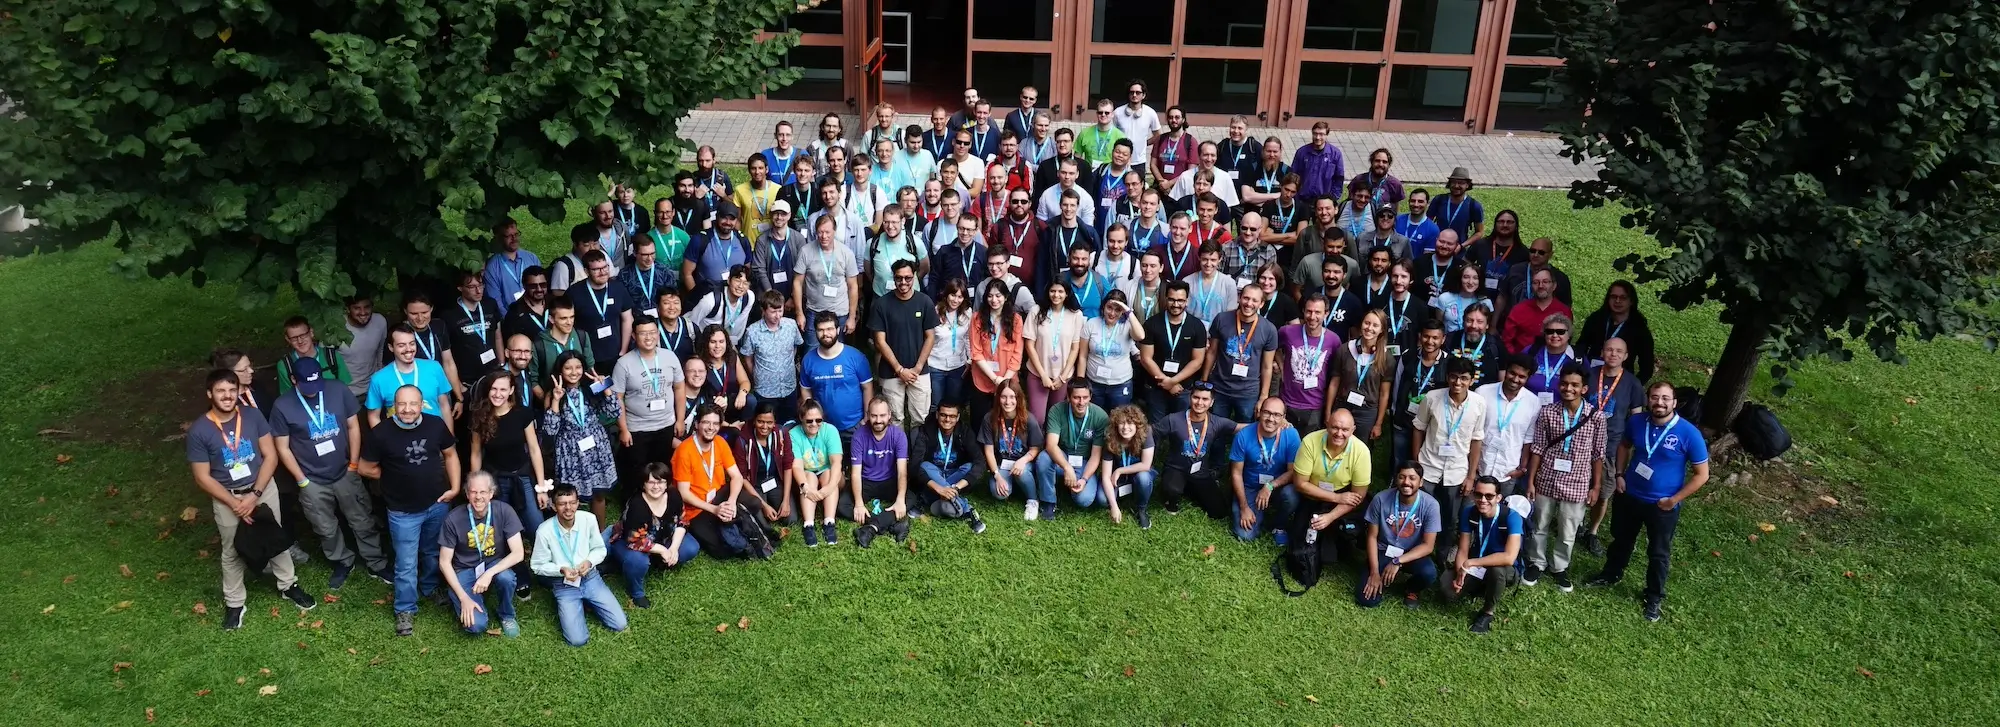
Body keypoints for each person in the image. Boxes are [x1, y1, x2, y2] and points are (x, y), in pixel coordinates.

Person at [189, 369, 314, 630]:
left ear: (239, 392)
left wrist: (255, 494)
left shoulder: (252, 415)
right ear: (210, 394)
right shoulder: (200, 430)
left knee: (275, 538)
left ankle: (288, 585)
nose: (227, 396)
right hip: (227, 496)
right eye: (221, 391)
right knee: (232, 549)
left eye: (232, 390)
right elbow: (202, 477)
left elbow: (270, 455)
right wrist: (236, 503)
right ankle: (235, 602)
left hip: (261, 488)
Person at [1587, 382, 1711, 622]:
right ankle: (1611, 574)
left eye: (1665, 398)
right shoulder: (1636, 422)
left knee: (1658, 553)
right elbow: (1624, 445)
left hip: (1662, 505)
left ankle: (1653, 597)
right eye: (1655, 397)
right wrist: (1620, 475)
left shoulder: (1688, 433)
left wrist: (1674, 500)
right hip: (1630, 494)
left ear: (1674, 403)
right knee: (1621, 539)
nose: (1660, 402)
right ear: (1648, 400)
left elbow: (1702, 474)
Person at [269, 357, 390, 589]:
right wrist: (301, 480)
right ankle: (342, 560)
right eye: (306, 386)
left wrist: (354, 464)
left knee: (362, 519)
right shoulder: (282, 406)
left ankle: (376, 562)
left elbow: (354, 426)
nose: (313, 391)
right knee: (325, 527)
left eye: (317, 384)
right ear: (294, 380)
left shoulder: (337, 390)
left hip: (345, 470)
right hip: (312, 479)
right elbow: (282, 447)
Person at [360, 385, 461, 637]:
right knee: (405, 563)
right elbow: (365, 467)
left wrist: (456, 487)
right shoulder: (381, 433)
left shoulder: (436, 424)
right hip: (402, 512)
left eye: (413, 404)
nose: (407, 410)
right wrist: (392, 477)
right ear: (393, 406)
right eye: (401, 404)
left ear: (422, 404)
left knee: (432, 551)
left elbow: (450, 454)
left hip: (436, 503)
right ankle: (405, 608)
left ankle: (429, 587)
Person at [1522, 363, 1606, 590]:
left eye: (1575, 385)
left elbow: (1598, 454)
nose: (1568, 388)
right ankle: (1536, 563)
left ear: (1584, 389)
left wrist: (1596, 486)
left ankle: (1559, 566)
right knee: (1540, 524)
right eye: (1565, 384)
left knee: (1568, 529)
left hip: (1578, 481)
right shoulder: (1548, 412)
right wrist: (1531, 480)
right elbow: (1538, 448)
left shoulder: (1596, 417)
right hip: (1547, 477)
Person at [466, 369, 545, 595]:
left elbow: (534, 450)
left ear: (511, 390)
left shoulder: (522, 414)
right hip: (495, 482)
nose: (498, 393)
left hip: (521, 477)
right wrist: (476, 488)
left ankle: (547, 571)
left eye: (503, 389)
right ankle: (520, 576)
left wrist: (540, 487)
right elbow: (476, 454)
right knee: (505, 532)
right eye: (494, 388)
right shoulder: (480, 416)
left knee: (536, 526)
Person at [529, 483, 629, 646]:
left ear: (577, 503)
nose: (568, 508)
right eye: (562, 504)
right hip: (564, 584)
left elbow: (599, 549)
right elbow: (537, 565)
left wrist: (589, 562)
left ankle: (586, 601)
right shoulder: (544, 531)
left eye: (572, 502)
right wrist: (560, 569)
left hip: (590, 578)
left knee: (620, 624)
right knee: (577, 640)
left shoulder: (588, 519)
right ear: (554, 506)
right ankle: (576, 604)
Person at [1410, 357, 1488, 554]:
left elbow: (1476, 440)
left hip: (1457, 470)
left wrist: (1471, 476)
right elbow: (1419, 428)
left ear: (1472, 380)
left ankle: (1442, 553)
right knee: (1420, 510)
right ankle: (1417, 549)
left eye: (1463, 378)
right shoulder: (1432, 398)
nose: (1458, 382)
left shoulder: (1479, 404)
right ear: (1447, 377)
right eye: (1453, 377)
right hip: (1428, 465)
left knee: (1450, 516)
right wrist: (1416, 464)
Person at [675, 404, 771, 560]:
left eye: (715, 423)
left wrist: (732, 502)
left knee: (754, 503)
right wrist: (714, 510)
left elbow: (737, 476)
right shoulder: (684, 451)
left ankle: (732, 516)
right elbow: (684, 493)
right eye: (706, 422)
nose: (710, 428)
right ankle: (728, 520)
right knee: (721, 552)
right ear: (697, 424)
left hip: (719, 495)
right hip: (696, 508)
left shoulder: (719, 442)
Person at [1580, 338, 1646, 556]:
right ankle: (1575, 524)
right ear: (1602, 351)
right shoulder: (1589, 375)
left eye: (1619, 351)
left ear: (1626, 356)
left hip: (1611, 445)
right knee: (1578, 484)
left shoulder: (1632, 383)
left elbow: (1636, 416)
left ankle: (1592, 531)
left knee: (1603, 493)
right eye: (1609, 349)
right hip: (1581, 440)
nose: (1613, 354)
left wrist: (1634, 444)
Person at [437, 472, 524, 637]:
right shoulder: (453, 519)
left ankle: (507, 614)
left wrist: (490, 573)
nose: (478, 497)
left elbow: (518, 553)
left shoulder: (504, 511)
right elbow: (444, 562)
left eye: (483, 492)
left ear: (491, 493)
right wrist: (463, 597)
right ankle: (458, 594)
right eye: (473, 492)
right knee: (476, 626)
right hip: (464, 569)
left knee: (506, 577)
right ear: (467, 494)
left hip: (492, 563)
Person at [541, 351, 619, 523]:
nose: (573, 372)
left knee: (599, 494)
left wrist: (605, 388)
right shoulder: (553, 394)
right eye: (568, 368)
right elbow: (550, 430)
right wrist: (555, 400)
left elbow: (614, 412)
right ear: (560, 371)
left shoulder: (592, 388)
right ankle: (573, 535)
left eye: (578, 367)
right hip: (571, 453)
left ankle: (598, 534)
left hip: (596, 447)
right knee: (570, 497)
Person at [605, 463, 698, 608]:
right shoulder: (637, 505)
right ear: (644, 484)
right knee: (638, 561)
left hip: (661, 538)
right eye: (651, 482)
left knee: (690, 547)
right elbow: (634, 540)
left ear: (667, 483)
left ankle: (658, 562)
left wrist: (673, 548)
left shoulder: (673, 495)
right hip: (628, 543)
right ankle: (636, 592)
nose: (656, 487)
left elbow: (682, 521)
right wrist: (662, 550)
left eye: (660, 482)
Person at [1444, 477, 1523, 633]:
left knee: (1497, 571)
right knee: (1447, 592)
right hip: (1477, 565)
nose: (1483, 500)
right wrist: (1461, 573)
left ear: (1499, 498)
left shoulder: (1512, 517)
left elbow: (1509, 557)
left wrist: (1471, 563)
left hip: (1504, 568)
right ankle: (1481, 587)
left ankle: (1487, 612)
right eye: (1479, 495)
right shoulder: (1469, 512)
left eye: (1489, 496)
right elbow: (1463, 549)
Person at [610, 315, 682, 487]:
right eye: (643, 333)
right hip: (637, 428)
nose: (648, 337)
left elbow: (679, 388)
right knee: (637, 470)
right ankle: (634, 504)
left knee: (662, 466)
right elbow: (617, 398)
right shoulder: (623, 364)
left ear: (658, 334)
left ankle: (660, 501)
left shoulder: (670, 357)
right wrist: (624, 429)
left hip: (665, 424)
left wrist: (679, 420)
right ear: (634, 336)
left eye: (652, 333)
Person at [1357, 464, 1440, 609]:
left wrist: (1397, 561)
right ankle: (1381, 576)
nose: (1406, 482)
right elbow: (1371, 537)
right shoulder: (1381, 499)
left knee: (1429, 573)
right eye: (1402, 477)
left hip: (1412, 553)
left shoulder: (1431, 505)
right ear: (1396, 479)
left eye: (1412, 478)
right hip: (1384, 550)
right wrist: (1374, 572)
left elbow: (1428, 546)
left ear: (1421, 482)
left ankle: (1411, 589)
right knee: (1367, 600)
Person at [869, 259, 938, 430]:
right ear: (893, 278)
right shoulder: (881, 304)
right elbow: (879, 341)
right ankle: (898, 456)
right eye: (899, 278)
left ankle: (918, 456)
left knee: (921, 419)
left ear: (914, 276)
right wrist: (899, 369)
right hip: (890, 371)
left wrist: (917, 368)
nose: (903, 282)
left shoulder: (925, 302)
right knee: (893, 419)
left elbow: (930, 337)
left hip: (919, 372)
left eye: (908, 278)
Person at [1151, 382, 1237, 518]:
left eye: (1205, 399)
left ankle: (1189, 489)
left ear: (1211, 402)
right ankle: (1172, 497)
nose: (1200, 402)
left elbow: (1241, 427)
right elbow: (1151, 432)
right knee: (1172, 489)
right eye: (1196, 397)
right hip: (1176, 469)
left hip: (1200, 472)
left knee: (1219, 512)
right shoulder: (1173, 419)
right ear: (1190, 398)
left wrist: (1275, 424)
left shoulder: (1217, 422)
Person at [1229, 397, 1302, 543]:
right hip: (1250, 486)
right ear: (1259, 413)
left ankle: (1278, 524)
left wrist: (1269, 486)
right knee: (1245, 535)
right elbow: (1236, 474)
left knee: (1292, 494)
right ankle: (1255, 511)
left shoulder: (1292, 435)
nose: (1271, 419)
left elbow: (1293, 472)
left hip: (1277, 486)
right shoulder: (1243, 436)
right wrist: (1244, 507)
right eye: (1267, 413)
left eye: (1276, 415)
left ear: (1283, 418)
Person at [799, 312, 876, 449]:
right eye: (821, 330)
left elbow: (867, 388)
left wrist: (866, 418)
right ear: (815, 332)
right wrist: (811, 419)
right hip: (822, 427)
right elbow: (806, 390)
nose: (825, 334)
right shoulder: (808, 360)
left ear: (838, 330)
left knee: (858, 467)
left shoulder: (856, 357)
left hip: (854, 426)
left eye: (829, 329)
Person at [1036, 380, 1109, 520]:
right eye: (1076, 397)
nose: (1081, 402)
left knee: (1084, 500)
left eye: (1085, 397)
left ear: (1090, 397)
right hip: (1062, 457)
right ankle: (1048, 502)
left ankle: (1072, 484)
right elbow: (1051, 445)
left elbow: (1095, 456)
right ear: (1068, 397)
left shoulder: (1100, 416)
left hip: (1084, 462)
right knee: (1044, 458)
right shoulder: (1056, 410)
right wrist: (1067, 467)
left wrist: (1084, 479)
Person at [1204, 285, 1279, 422]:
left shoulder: (1269, 329)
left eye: (1254, 300)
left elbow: (1267, 366)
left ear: (1261, 304)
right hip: (1220, 387)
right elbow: (1212, 352)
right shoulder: (1222, 319)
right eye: (1246, 298)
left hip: (1248, 392)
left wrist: (1263, 396)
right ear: (1239, 298)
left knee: (1245, 432)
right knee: (1216, 430)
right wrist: (1204, 382)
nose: (1249, 303)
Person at [845, 399, 913, 547]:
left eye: (882, 415)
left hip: (890, 481)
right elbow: (855, 473)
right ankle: (893, 525)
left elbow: (902, 472)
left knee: (910, 498)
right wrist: (859, 504)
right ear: (868, 415)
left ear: (889, 415)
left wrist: (900, 499)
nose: (878, 420)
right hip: (866, 481)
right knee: (843, 505)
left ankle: (870, 528)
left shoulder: (899, 435)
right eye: (874, 416)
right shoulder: (859, 436)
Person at [912, 401, 987, 533]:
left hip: (955, 478)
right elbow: (914, 465)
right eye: (943, 415)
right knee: (924, 465)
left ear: (958, 417)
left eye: (952, 416)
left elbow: (980, 462)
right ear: (937, 415)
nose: (947, 419)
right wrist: (939, 488)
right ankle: (967, 509)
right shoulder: (926, 431)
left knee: (970, 467)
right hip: (934, 475)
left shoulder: (964, 431)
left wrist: (956, 487)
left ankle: (928, 497)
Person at [980, 380, 1047, 520]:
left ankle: (1032, 500)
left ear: (1018, 398)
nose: (1007, 401)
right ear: (998, 398)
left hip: (1024, 463)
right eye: (1004, 397)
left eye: (1012, 397)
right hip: (1002, 465)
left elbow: (1035, 449)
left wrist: (1023, 460)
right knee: (999, 494)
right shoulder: (989, 418)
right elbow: (989, 451)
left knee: (1021, 473)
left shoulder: (1029, 419)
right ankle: (1013, 485)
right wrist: (997, 475)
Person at [1477, 355, 1543, 497]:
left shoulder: (1533, 402)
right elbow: (1472, 431)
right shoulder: (1482, 393)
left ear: (1528, 378)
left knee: (1501, 513)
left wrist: (1522, 468)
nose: (1515, 379)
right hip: (1480, 467)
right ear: (1506, 371)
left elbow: (1528, 438)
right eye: (1512, 373)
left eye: (1522, 376)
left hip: (1508, 471)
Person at [366, 325, 455, 428]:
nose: (408, 349)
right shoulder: (379, 379)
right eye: (401, 345)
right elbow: (373, 416)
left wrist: (450, 441)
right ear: (391, 347)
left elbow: (444, 406)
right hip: (398, 439)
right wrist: (384, 441)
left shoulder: (434, 368)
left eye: (412, 344)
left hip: (434, 437)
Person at [1277, 293, 1342, 432]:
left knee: (1309, 448)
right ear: (1303, 311)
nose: (1312, 317)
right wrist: (1280, 365)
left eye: (1317, 312)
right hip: (1287, 402)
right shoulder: (1287, 332)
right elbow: (1272, 348)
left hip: (1315, 405)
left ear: (1326, 314)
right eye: (1309, 311)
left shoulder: (1333, 340)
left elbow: (1335, 373)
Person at [1389, 320, 1450, 465]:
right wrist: (1394, 410)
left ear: (1443, 339)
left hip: (1431, 424)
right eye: (1426, 336)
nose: (1430, 341)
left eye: (1435, 338)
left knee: (1424, 462)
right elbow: (1397, 384)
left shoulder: (1449, 363)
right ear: (1420, 336)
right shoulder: (1408, 356)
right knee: (1400, 459)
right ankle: (1397, 481)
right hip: (1404, 419)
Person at [738, 291, 804, 424]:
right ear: (763, 310)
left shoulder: (791, 325)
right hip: (765, 391)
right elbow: (748, 359)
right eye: (773, 311)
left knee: (790, 425)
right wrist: (758, 374)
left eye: (780, 311)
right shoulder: (752, 331)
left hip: (789, 387)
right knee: (767, 426)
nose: (777, 315)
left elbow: (796, 347)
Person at [967, 277, 1026, 426]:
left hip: (1008, 379)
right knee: (979, 421)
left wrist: (1004, 381)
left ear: (1005, 297)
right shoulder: (977, 318)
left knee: (1005, 421)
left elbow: (1017, 354)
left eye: (998, 296)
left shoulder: (1016, 320)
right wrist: (995, 379)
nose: (994, 300)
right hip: (982, 378)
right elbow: (976, 352)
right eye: (990, 296)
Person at [1025, 280, 1085, 419]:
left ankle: (1052, 441)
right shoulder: (1036, 311)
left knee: (1056, 417)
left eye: (1060, 291)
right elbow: (1029, 345)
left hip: (1063, 375)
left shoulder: (1076, 314)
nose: (1056, 295)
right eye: (1052, 291)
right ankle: (1037, 441)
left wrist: (1063, 377)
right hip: (1038, 373)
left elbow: (1075, 348)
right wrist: (1043, 375)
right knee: (1038, 418)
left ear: (1067, 294)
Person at [1331, 309, 1393, 444]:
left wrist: (1378, 424)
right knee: (1336, 445)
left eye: (1375, 325)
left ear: (1382, 330)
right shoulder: (1345, 349)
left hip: (1367, 412)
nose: (1369, 328)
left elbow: (1384, 393)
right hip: (1343, 405)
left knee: (1361, 450)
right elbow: (1334, 383)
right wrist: (1327, 413)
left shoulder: (1386, 358)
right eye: (1367, 323)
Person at [1576, 280, 1658, 381]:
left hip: (1621, 381)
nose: (1617, 301)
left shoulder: (1640, 330)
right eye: (1614, 297)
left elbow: (1647, 367)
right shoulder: (1596, 319)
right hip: (1591, 375)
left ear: (1631, 301)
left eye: (1623, 298)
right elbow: (1581, 346)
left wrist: (1632, 387)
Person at [790, 400, 846, 546]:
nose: (814, 424)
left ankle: (829, 522)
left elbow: (836, 463)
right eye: (809, 420)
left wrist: (829, 487)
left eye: (818, 420)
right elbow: (797, 466)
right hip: (807, 474)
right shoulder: (793, 434)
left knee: (828, 474)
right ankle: (808, 525)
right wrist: (805, 487)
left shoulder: (830, 430)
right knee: (809, 477)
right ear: (801, 418)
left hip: (827, 474)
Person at [567, 249, 632, 376]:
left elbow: (627, 319)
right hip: (588, 357)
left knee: (615, 392)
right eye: (596, 269)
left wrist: (623, 351)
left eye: (605, 267)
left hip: (616, 354)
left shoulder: (618, 288)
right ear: (586, 271)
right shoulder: (574, 293)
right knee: (596, 392)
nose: (602, 272)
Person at [795, 215, 861, 335]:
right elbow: (797, 283)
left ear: (834, 231)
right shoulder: (806, 251)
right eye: (820, 232)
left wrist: (852, 317)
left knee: (838, 350)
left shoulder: (846, 253)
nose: (824, 236)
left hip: (840, 312)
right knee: (811, 349)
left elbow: (853, 286)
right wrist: (799, 313)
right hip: (814, 311)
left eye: (827, 232)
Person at [441, 270, 504, 388]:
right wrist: (459, 386)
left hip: (494, 375)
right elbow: (447, 352)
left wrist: (502, 364)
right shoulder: (450, 315)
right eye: (471, 287)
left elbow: (498, 336)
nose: (478, 290)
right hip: (467, 380)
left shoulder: (490, 305)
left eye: (480, 285)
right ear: (460, 288)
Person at [735, 404, 795, 523]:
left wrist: (786, 500)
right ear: (754, 421)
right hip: (754, 485)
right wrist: (764, 506)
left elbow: (787, 466)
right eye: (760, 421)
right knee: (761, 522)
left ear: (774, 423)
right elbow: (742, 477)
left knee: (790, 519)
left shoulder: (782, 434)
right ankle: (763, 505)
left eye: (769, 422)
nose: (764, 427)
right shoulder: (742, 440)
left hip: (775, 481)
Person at [683, 203, 751, 303]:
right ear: (716, 217)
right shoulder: (700, 240)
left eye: (732, 219)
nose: (728, 222)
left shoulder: (743, 240)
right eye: (724, 217)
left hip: (736, 301)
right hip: (707, 302)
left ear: (736, 220)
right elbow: (686, 274)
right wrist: (697, 299)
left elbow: (747, 274)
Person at [527, 296, 593, 398]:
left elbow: (590, 368)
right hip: (553, 403)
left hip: (581, 401)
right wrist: (547, 403)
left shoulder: (582, 336)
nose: (569, 322)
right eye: (563, 318)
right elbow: (533, 381)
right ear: (551, 319)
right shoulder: (538, 344)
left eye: (572, 317)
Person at [927, 279, 975, 413]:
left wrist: (969, 359)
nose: (956, 300)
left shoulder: (967, 313)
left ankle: (953, 432)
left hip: (957, 366)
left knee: (953, 403)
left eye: (960, 297)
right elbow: (927, 338)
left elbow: (967, 337)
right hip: (936, 365)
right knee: (935, 404)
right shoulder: (935, 312)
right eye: (953, 295)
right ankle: (933, 431)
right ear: (946, 294)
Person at [1498, 237, 1573, 321]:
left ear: (1550, 255)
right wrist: (1493, 326)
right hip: (1515, 324)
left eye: (1541, 252)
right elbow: (1502, 297)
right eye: (1532, 251)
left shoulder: (1560, 278)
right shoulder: (1515, 270)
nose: (1535, 255)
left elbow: (1566, 308)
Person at [275, 316, 350, 396]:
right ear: (288, 339)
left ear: (311, 332)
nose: (300, 341)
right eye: (294, 338)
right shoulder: (285, 365)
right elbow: (288, 397)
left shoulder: (331, 356)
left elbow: (345, 388)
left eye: (303, 335)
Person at [1503, 268, 1573, 354]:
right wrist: (1516, 359)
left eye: (1545, 282)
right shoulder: (1519, 310)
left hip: (1554, 362)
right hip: (1523, 362)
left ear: (1554, 286)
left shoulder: (1564, 311)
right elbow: (1507, 341)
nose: (1540, 286)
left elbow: (1567, 339)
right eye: (1536, 282)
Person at [620, 226, 680, 322]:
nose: (650, 259)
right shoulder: (624, 275)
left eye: (652, 253)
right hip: (636, 323)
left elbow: (672, 298)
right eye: (645, 255)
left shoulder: (664, 271)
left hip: (662, 321)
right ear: (635, 253)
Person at [687, 264, 758, 344]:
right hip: (703, 339)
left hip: (722, 342)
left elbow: (740, 324)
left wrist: (731, 345)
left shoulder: (749, 297)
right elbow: (691, 323)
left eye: (745, 283)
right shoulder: (711, 300)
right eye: (737, 281)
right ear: (728, 280)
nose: (741, 286)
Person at [482, 218, 542, 308]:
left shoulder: (531, 258)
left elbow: (542, 287)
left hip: (536, 314)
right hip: (510, 318)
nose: (514, 239)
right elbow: (495, 301)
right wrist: (511, 320)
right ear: (499, 238)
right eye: (508, 236)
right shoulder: (492, 267)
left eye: (516, 234)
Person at [1469, 209, 1526, 299]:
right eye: (1501, 221)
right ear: (1495, 225)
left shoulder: (1523, 253)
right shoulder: (1480, 244)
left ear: (1516, 226)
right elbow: (1465, 264)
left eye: (1510, 222)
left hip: (1506, 301)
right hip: (1477, 298)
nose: (1505, 225)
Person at [1523, 313, 1579, 399]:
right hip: (1528, 405)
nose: (1555, 335)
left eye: (1560, 332)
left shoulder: (1577, 357)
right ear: (1544, 334)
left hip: (1562, 409)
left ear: (1569, 335)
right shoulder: (1531, 351)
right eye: (1550, 331)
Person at [341, 296, 388, 399]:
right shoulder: (337, 326)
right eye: (357, 308)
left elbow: (381, 351)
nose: (363, 312)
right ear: (348, 309)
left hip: (374, 388)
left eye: (367, 307)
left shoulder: (379, 321)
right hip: (346, 392)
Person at [1447, 305, 1504, 386]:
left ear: (1487, 325)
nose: (1474, 326)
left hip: (1483, 396)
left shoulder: (1496, 346)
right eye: (1469, 320)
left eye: (1480, 322)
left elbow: (1501, 381)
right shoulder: (1450, 340)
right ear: (1463, 321)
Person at [1433, 260, 1493, 334]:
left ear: (1480, 281)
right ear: (1460, 278)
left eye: (1475, 278)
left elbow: (1487, 329)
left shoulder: (1486, 302)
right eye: (1466, 277)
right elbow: (1439, 326)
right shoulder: (1444, 298)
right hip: (1449, 342)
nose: (1470, 282)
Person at [1290, 122, 1345, 203]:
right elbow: (1293, 175)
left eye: (1321, 134)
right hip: (1303, 200)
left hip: (1324, 202)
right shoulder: (1302, 152)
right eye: (1315, 134)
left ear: (1326, 135)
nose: (1318, 137)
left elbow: (1339, 179)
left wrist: (1333, 198)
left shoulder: (1335, 154)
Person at [1036, 158, 1098, 228]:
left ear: (1077, 174)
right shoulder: (1046, 195)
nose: (1067, 177)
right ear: (1058, 173)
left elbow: (1088, 228)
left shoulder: (1086, 198)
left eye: (1071, 173)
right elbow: (1040, 223)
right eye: (1063, 172)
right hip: (1052, 236)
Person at [1428, 167, 1485, 242]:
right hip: (1437, 246)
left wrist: (1462, 246)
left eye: (1461, 183)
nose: (1456, 186)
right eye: (1453, 182)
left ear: (1467, 185)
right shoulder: (1439, 200)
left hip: (1459, 250)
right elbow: (1427, 223)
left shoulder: (1474, 205)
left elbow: (1479, 232)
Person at [501, 266, 553, 345]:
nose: (539, 289)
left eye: (542, 285)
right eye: (533, 286)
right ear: (524, 286)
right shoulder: (515, 312)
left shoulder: (555, 303)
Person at [1239, 137, 1291, 211]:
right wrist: (1276, 195)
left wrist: (1256, 198)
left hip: (1277, 214)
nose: (1272, 155)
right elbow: (1247, 197)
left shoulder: (1286, 171)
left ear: (1280, 152)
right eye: (1269, 151)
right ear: (1263, 151)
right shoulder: (1252, 168)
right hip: (1254, 213)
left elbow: (1288, 197)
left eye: (1275, 151)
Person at [1151, 106, 1197, 186]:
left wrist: (1169, 183)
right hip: (1160, 186)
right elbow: (1153, 164)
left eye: (1177, 117)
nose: (1174, 120)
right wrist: (1161, 182)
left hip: (1181, 187)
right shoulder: (1160, 139)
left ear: (1183, 120)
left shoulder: (1190, 141)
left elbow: (1191, 171)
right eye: (1171, 117)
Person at [759, 120, 808, 185]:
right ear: (775, 136)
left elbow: (810, 178)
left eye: (788, 135)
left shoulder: (802, 154)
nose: (784, 139)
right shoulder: (766, 155)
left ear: (792, 137)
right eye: (781, 135)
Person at [1397, 188, 1442, 258]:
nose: (1416, 204)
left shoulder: (1433, 229)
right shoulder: (1397, 220)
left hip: (1416, 267)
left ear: (1427, 203)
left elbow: (1426, 258)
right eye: (1413, 201)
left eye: (1420, 201)